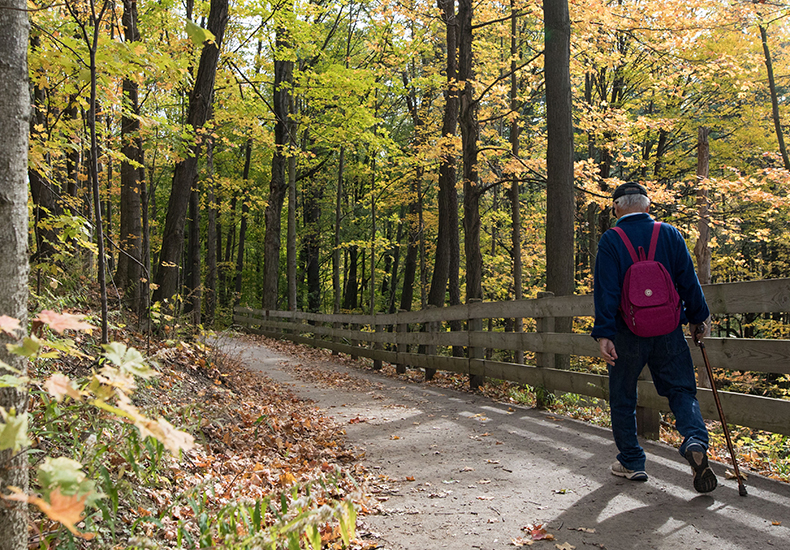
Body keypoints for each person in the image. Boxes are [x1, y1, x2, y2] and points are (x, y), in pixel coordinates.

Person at [591, 181, 717, 493]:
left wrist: (604, 333)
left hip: (626, 332)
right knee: (681, 390)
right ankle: (694, 438)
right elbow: (688, 280)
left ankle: (632, 461)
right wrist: (698, 316)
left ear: (616, 208)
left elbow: (605, 290)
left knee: (623, 395)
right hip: (668, 329)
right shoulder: (670, 233)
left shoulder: (611, 240)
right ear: (648, 206)